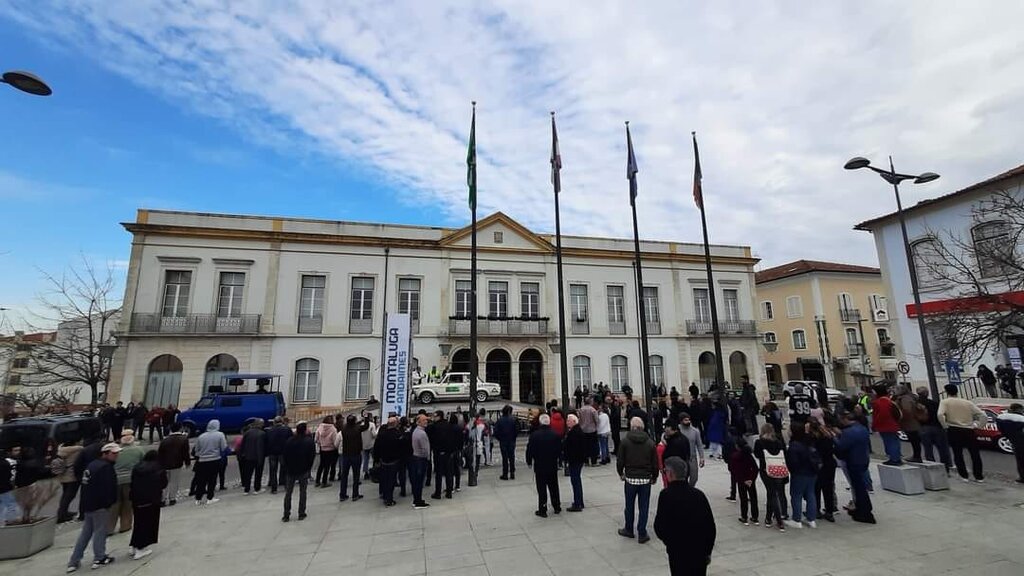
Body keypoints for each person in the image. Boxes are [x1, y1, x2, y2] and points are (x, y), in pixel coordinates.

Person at [654, 456, 716, 575]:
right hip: (699, 552)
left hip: (678, 552)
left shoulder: (666, 496)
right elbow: (710, 527)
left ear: (670, 474)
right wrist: (708, 551)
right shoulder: (699, 495)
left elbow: (660, 527)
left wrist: (671, 543)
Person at [67, 443, 120, 572]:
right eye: (113, 453)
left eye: (117, 453)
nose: (116, 456)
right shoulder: (105, 468)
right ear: (105, 453)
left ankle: (74, 560)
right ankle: (99, 557)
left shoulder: (91, 466)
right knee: (100, 532)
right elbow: (107, 487)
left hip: (88, 504)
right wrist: (109, 502)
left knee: (86, 533)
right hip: (100, 505)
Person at [617, 417, 657, 543]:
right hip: (645, 479)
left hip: (630, 478)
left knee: (629, 505)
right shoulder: (650, 442)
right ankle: (642, 532)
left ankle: (629, 529)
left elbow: (620, 460)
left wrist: (621, 473)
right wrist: (654, 476)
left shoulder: (625, 441)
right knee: (643, 507)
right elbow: (655, 463)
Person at [938, 384, 986, 483]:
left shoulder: (945, 402)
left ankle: (964, 475)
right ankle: (979, 476)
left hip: (954, 429)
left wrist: (945, 425)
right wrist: (980, 426)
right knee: (975, 453)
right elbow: (982, 414)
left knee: (958, 453)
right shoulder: (967, 402)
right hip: (968, 429)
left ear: (947, 392)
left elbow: (940, 414)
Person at [834, 410, 875, 523]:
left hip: (853, 461)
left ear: (846, 420)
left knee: (858, 488)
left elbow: (840, 448)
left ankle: (864, 511)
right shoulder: (863, 429)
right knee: (860, 486)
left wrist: (835, 437)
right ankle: (864, 509)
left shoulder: (848, 432)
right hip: (863, 460)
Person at [128, 451, 166, 560]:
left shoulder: (137, 467)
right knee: (148, 524)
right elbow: (163, 483)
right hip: (151, 499)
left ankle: (134, 545)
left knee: (139, 523)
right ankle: (141, 548)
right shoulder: (158, 468)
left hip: (137, 499)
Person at [526, 413, 562, 517]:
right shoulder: (555, 435)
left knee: (541, 488)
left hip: (540, 465)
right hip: (552, 464)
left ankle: (543, 508)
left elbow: (530, 450)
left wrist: (529, 461)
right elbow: (559, 449)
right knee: (554, 486)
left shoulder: (535, 435)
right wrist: (559, 460)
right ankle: (556, 506)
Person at [754, 423, 788, 531]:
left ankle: (778, 520)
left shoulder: (759, 442)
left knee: (772, 494)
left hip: (766, 470)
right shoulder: (778, 442)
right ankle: (768, 517)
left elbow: (757, 455)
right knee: (772, 493)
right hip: (779, 469)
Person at [785, 425, 819, 529]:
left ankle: (796, 519)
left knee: (796, 495)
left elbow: (793, 462)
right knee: (811, 494)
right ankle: (811, 519)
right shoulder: (808, 442)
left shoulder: (794, 445)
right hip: (812, 472)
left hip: (800, 473)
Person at [110, 431, 145, 534]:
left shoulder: (115, 451)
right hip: (130, 479)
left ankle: (109, 527)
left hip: (116, 479)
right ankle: (125, 525)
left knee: (114, 505)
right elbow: (143, 463)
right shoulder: (138, 450)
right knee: (128, 504)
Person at [282, 421, 315, 522]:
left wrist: (287, 467)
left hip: (290, 470)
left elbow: (285, 456)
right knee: (303, 492)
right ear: (305, 430)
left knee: (288, 493)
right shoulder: (309, 441)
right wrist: (308, 468)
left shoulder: (289, 441)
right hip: (303, 469)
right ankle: (301, 513)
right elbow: (311, 456)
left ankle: (286, 514)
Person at [916, 387, 951, 475]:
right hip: (937, 427)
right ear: (927, 393)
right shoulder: (934, 403)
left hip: (923, 428)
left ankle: (933, 470)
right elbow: (941, 415)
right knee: (943, 449)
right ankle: (946, 469)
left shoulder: (916, 404)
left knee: (928, 450)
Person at [808, 419, 837, 522]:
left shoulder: (813, 439)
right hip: (830, 464)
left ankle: (816, 510)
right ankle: (829, 511)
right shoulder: (828, 436)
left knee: (816, 489)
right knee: (828, 488)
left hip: (819, 465)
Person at [193, 419, 227, 505]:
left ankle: (198, 498)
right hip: (215, 459)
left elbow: (197, 450)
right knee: (212, 480)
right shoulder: (220, 435)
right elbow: (223, 447)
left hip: (202, 460)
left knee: (201, 480)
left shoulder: (201, 436)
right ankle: (210, 497)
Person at [727, 437, 759, 527]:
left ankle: (744, 517)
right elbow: (755, 468)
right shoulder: (749, 456)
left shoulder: (734, 457)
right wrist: (751, 479)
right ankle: (755, 516)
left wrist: (742, 480)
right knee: (753, 498)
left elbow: (733, 470)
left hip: (741, 480)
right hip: (750, 479)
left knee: (743, 498)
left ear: (737, 446)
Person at [157, 423, 190, 506]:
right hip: (177, 463)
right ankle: (172, 498)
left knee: (164, 482)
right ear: (180, 428)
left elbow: (160, 453)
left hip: (164, 464)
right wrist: (187, 462)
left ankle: (162, 499)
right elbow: (185, 453)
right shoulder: (183, 439)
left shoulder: (165, 440)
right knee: (174, 482)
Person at [374, 415, 403, 507]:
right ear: (395, 424)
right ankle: (389, 499)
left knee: (384, 479)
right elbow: (401, 448)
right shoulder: (398, 434)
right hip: (394, 461)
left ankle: (384, 494)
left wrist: (376, 459)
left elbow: (376, 448)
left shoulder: (382, 434)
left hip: (383, 460)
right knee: (391, 480)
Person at [871, 384, 902, 465]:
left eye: (873, 392)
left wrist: (874, 425)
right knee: (894, 441)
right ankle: (896, 458)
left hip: (885, 426)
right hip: (891, 425)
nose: (872, 394)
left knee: (890, 442)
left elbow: (881, 415)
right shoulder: (888, 399)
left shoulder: (880, 402)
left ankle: (894, 459)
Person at [55, 440, 84, 523]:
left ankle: (63, 512)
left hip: (63, 475)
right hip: (72, 476)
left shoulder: (61, 449)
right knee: (69, 496)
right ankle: (61, 514)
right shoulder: (78, 449)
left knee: (65, 495)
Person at [563, 413, 586, 512]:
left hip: (575, 460)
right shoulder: (576, 431)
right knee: (577, 481)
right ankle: (579, 501)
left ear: (574, 422)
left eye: (568, 421)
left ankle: (578, 503)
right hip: (578, 459)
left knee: (575, 481)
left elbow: (571, 448)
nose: (567, 422)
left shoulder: (574, 433)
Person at [895, 385, 925, 462]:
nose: (895, 391)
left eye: (896, 389)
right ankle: (916, 456)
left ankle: (917, 456)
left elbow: (907, 410)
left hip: (910, 423)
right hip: (913, 422)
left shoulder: (905, 399)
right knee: (915, 440)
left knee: (914, 440)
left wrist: (901, 417)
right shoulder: (910, 397)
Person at [996, 403, 1024, 483]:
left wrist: (1008, 437)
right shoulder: (1022, 419)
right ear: (1019, 409)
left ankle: (1022, 477)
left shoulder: (1001, 417)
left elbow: (1001, 430)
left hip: (1014, 442)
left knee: (1020, 461)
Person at [430, 410, 455, 499]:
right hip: (448, 452)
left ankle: (438, 492)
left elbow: (432, 439)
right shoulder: (449, 425)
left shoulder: (434, 427)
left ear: (439, 416)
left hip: (438, 452)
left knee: (439, 473)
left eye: (435, 416)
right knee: (449, 473)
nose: (433, 418)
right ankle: (449, 492)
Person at [338, 414, 363, 501]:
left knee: (344, 475)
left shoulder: (344, 430)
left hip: (346, 455)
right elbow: (366, 426)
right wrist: (366, 418)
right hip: (356, 454)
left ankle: (342, 494)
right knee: (356, 475)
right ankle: (355, 494)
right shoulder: (357, 429)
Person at [239, 419, 267, 494]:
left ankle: (246, 489)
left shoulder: (247, 433)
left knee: (248, 473)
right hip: (258, 456)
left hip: (248, 456)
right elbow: (264, 446)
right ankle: (257, 488)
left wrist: (242, 454)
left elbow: (243, 445)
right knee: (258, 473)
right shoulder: (262, 433)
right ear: (260, 425)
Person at [409, 414, 431, 509]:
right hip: (421, 459)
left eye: (426, 420)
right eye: (424, 420)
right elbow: (425, 449)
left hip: (416, 457)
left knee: (416, 480)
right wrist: (428, 457)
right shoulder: (421, 433)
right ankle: (418, 501)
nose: (426, 421)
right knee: (419, 481)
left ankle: (417, 499)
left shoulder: (416, 431)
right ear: (419, 422)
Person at [265, 417, 292, 494]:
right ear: (282, 421)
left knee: (273, 470)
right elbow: (290, 440)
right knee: (286, 469)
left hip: (272, 453)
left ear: (274, 422)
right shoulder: (287, 429)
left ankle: (274, 488)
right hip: (283, 452)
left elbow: (266, 442)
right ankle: (286, 486)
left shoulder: (269, 430)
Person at [678, 413, 704, 486]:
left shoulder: (695, 431)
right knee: (682, 478)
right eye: (685, 420)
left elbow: (699, 445)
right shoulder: (677, 430)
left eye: (689, 420)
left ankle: (689, 489)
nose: (688, 422)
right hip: (681, 458)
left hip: (692, 458)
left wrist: (701, 457)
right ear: (681, 421)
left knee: (694, 478)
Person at [494, 405, 518, 480]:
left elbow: (496, 431)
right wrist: (514, 437)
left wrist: (500, 438)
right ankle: (512, 472)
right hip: (511, 440)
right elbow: (517, 430)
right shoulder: (513, 420)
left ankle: (505, 474)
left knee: (505, 458)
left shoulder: (500, 420)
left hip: (503, 441)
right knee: (512, 456)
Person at [314, 415, 338, 488]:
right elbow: (335, 440)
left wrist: (320, 443)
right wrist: (335, 446)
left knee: (321, 465)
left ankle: (317, 481)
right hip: (330, 449)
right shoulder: (333, 429)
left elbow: (316, 439)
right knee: (327, 466)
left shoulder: (320, 427)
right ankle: (324, 482)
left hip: (322, 448)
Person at [579, 398, 600, 466]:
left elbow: (579, 420)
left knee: (585, 446)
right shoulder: (592, 410)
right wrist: (596, 426)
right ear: (590, 402)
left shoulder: (581, 409)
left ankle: (586, 461)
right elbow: (597, 420)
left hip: (583, 430)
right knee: (593, 446)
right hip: (592, 430)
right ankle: (593, 461)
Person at [360, 412, 378, 480]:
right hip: (372, 444)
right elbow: (374, 434)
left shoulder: (361, 424)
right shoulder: (372, 425)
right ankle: (374, 471)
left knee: (366, 459)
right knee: (374, 458)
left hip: (364, 444)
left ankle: (365, 472)